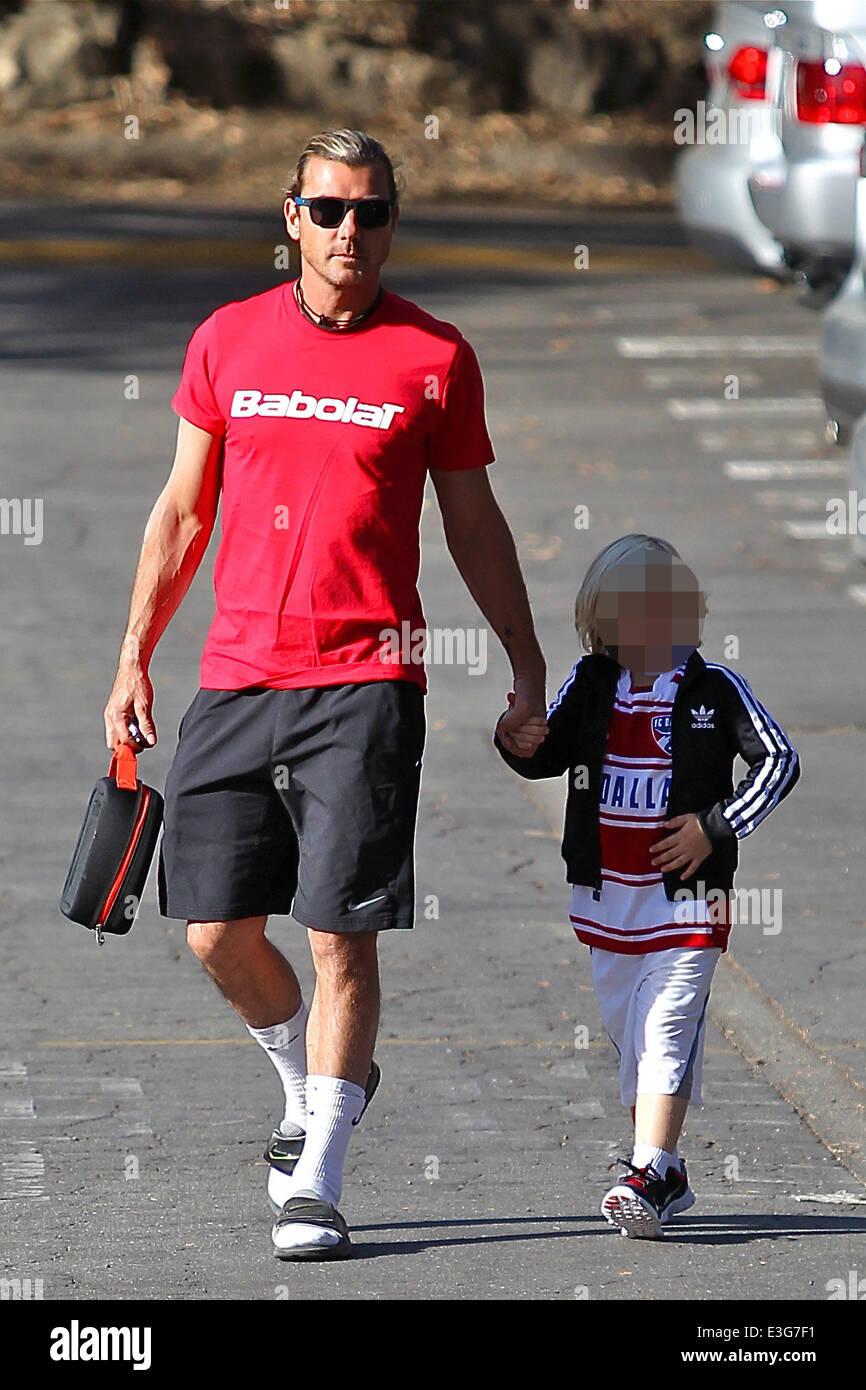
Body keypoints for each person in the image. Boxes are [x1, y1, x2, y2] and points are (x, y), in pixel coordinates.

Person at [102, 128, 548, 1261]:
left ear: (392, 222)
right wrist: (132, 657)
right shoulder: (228, 340)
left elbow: (473, 524)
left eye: (374, 212)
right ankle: (306, 1079)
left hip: (368, 679)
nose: (353, 231)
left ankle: (323, 1178)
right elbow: (182, 513)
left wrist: (524, 660)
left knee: (339, 931)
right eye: (331, 209)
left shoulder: (433, 357)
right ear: (291, 216)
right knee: (211, 930)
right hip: (239, 676)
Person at [493, 534, 800, 1238]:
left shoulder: (713, 691)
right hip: (611, 900)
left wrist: (714, 828)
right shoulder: (593, 684)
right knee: (631, 1039)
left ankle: (650, 1168)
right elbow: (553, 754)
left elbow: (778, 762)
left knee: (666, 1028)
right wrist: (518, 741)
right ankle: (664, 1170)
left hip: (689, 901)